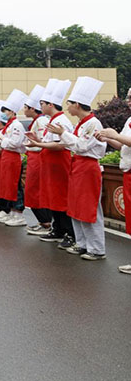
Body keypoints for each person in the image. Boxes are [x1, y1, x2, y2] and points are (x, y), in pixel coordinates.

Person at [48, 77, 107, 260]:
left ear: (78, 105)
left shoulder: (93, 123)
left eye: (70, 104)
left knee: (89, 207)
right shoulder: (81, 124)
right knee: (75, 206)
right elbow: (74, 146)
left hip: (88, 167)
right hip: (78, 166)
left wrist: (62, 134)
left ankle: (96, 248)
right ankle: (82, 244)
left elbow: (81, 146)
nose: (68, 108)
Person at [25, 79, 75, 247]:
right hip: (51, 164)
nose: (41, 107)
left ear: (50, 104)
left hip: (59, 163)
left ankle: (69, 232)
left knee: (61, 197)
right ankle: (58, 229)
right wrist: (37, 140)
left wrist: (38, 144)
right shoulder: (51, 121)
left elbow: (61, 145)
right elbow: (49, 141)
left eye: (42, 104)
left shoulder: (61, 121)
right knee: (53, 197)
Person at [96, 87, 131, 274]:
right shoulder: (129, 120)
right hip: (127, 171)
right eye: (128, 97)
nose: (129, 101)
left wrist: (115, 135)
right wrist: (108, 138)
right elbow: (123, 146)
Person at [18, 85, 52, 229]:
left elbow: (42, 142)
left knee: (36, 190)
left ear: (32, 109)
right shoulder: (36, 121)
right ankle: (42, 221)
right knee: (32, 190)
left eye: (26, 107)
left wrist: (32, 143)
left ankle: (46, 221)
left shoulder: (42, 121)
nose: (24, 110)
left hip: (38, 158)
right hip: (33, 157)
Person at [0, 89, 28, 226]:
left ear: (13, 112)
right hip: (6, 156)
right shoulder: (9, 126)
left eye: (6, 111)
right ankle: (11, 213)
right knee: (8, 186)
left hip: (13, 157)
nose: (4, 114)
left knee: (15, 186)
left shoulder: (16, 125)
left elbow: (15, 143)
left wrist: (1, 139)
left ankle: (19, 214)